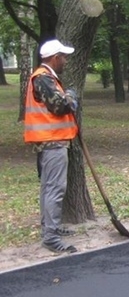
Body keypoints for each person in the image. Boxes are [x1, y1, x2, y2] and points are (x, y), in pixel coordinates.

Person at [24, 39, 80, 253]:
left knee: (49, 187)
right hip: (52, 141)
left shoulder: (46, 78)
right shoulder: (44, 78)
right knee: (54, 188)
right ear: (55, 58)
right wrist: (72, 96)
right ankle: (50, 237)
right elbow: (61, 105)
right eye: (63, 57)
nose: (65, 60)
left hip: (50, 140)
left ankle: (50, 227)